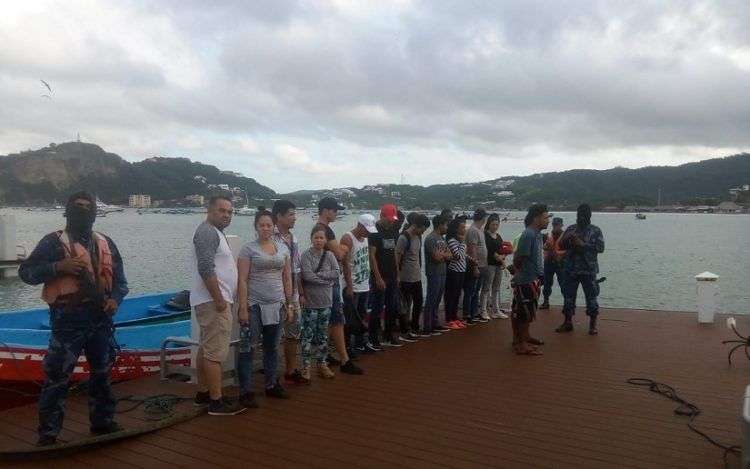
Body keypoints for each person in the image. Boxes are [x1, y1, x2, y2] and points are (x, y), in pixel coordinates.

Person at [19, 191, 130, 445]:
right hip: (67, 322)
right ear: (67, 211)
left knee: (102, 373)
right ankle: (48, 434)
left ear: (93, 213)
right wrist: (59, 267)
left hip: (100, 321)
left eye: (87, 207)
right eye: (77, 206)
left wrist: (115, 300)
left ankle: (102, 423)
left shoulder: (106, 243)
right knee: (57, 378)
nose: (82, 210)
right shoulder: (52, 243)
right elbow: (26, 272)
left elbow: (120, 282)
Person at [189, 195, 246, 415]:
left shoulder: (215, 233)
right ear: (209, 210)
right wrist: (219, 300)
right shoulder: (207, 232)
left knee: (206, 348)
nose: (226, 215)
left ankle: (203, 393)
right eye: (222, 210)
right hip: (214, 303)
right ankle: (216, 401)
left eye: (230, 212)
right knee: (215, 353)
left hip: (211, 301)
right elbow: (205, 267)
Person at [237, 208, 294, 405]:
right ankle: (245, 390)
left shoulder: (283, 248)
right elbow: (242, 280)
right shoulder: (248, 249)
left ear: (274, 226)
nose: (266, 228)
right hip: (254, 305)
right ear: (255, 227)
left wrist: (290, 303)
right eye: (262, 225)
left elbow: (287, 277)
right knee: (248, 348)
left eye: (269, 225)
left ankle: (271, 384)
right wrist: (243, 307)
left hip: (277, 304)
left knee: (272, 347)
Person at [315, 197, 363, 375]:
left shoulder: (321, 229)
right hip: (330, 281)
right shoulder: (323, 229)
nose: (336, 213)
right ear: (326, 210)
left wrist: (341, 248)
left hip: (327, 280)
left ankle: (324, 356)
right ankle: (344, 360)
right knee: (337, 319)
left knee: (330, 321)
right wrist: (342, 247)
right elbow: (340, 254)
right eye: (335, 210)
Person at [272, 200, 307, 386]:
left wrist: (299, 292)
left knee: (293, 332)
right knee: (274, 335)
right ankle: (272, 376)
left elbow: (296, 268)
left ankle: (291, 370)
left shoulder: (293, 238)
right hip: (275, 292)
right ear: (279, 216)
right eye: (291, 214)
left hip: (291, 293)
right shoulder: (270, 237)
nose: (295, 217)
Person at [556, 204, 605, 335]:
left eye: (584, 214)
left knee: (592, 297)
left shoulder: (596, 230)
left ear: (589, 216)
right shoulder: (571, 228)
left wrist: (583, 244)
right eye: (579, 214)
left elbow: (601, 248)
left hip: (588, 270)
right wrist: (568, 239)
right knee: (568, 297)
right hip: (571, 269)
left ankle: (593, 324)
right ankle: (567, 322)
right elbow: (560, 244)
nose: (581, 217)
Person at [299, 225, 340, 380]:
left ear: (326, 240)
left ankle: (322, 363)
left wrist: (321, 276)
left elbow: (336, 273)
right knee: (307, 336)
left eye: (321, 237)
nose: (319, 240)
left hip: (326, 302)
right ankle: (305, 366)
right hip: (310, 303)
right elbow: (307, 275)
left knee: (322, 336)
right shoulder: (306, 255)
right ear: (311, 239)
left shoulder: (329, 255)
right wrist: (325, 280)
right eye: (316, 237)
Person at [510, 204, 549, 356]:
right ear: (536, 218)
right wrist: (519, 273)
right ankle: (520, 344)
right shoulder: (529, 235)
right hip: (526, 279)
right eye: (545, 218)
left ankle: (524, 337)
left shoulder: (537, 234)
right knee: (522, 312)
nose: (547, 221)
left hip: (533, 278)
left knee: (527, 310)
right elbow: (519, 257)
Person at [341, 214, 379, 354]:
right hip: (353, 286)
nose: (368, 232)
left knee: (362, 315)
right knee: (350, 317)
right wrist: (349, 286)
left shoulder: (365, 238)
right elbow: (345, 264)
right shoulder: (347, 238)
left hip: (364, 283)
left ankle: (361, 342)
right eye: (366, 229)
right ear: (359, 225)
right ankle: (347, 346)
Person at [369, 204, 403, 347]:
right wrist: (377, 277)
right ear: (381, 216)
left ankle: (389, 334)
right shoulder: (374, 231)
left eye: (393, 219)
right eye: (389, 219)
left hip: (392, 274)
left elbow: (394, 252)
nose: (391, 222)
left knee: (392, 306)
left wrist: (397, 273)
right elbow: (371, 255)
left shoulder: (394, 230)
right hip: (380, 275)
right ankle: (373, 337)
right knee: (377, 307)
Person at [396, 213, 430, 339]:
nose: (423, 232)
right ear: (416, 225)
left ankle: (414, 326)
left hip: (416, 276)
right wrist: (398, 276)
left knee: (419, 301)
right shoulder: (404, 238)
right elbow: (397, 257)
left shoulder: (418, 237)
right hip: (405, 276)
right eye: (423, 229)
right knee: (405, 304)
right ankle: (404, 329)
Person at [423, 214, 452, 335]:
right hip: (434, 273)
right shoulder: (431, 239)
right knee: (431, 299)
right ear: (440, 225)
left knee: (438, 299)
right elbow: (436, 257)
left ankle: (435, 323)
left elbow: (450, 255)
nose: (447, 227)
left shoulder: (442, 238)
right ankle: (427, 327)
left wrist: (444, 255)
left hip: (442, 272)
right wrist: (444, 255)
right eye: (446, 225)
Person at [480, 213, 509, 320]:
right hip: (489, 264)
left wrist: (503, 258)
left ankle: (496, 310)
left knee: (496, 288)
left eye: (497, 224)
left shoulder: (498, 236)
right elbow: (489, 250)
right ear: (489, 224)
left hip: (498, 265)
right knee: (486, 287)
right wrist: (498, 257)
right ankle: (483, 310)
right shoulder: (485, 235)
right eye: (493, 224)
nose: (495, 227)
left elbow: (502, 249)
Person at [464, 208, 489, 323]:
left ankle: (473, 313)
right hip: (476, 265)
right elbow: (472, 249)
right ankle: (468, 315)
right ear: (483, 218)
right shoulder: (473, 230)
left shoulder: (480, 230)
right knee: (471, 290)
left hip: (482, 264)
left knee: (476, 290)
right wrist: (475, 266)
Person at [444, 216, 468, 330]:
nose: (464, 229)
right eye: (462, 227)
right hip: (454, 271)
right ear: (456, 229)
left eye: (465, 227)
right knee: (451, 295)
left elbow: (463, 255)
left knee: (457, 295)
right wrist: (463, 242)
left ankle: (454, 317)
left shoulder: (458, 241)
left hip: (461, 270)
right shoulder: (451, 240)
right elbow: (458, 256)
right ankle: (449, 319)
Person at [540, 217, 566, 310]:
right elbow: (544, 247)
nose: (555, 227)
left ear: (561, 225)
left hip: (560, 263)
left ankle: (566, 303)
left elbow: (568, 251)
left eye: (557, 225)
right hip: (549, 262)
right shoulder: (548, 236)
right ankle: (546, 302)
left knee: (563, 283)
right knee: (547, 283)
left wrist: (558, 253)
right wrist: (547, 247)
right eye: (554, 225)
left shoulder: (565, 236)